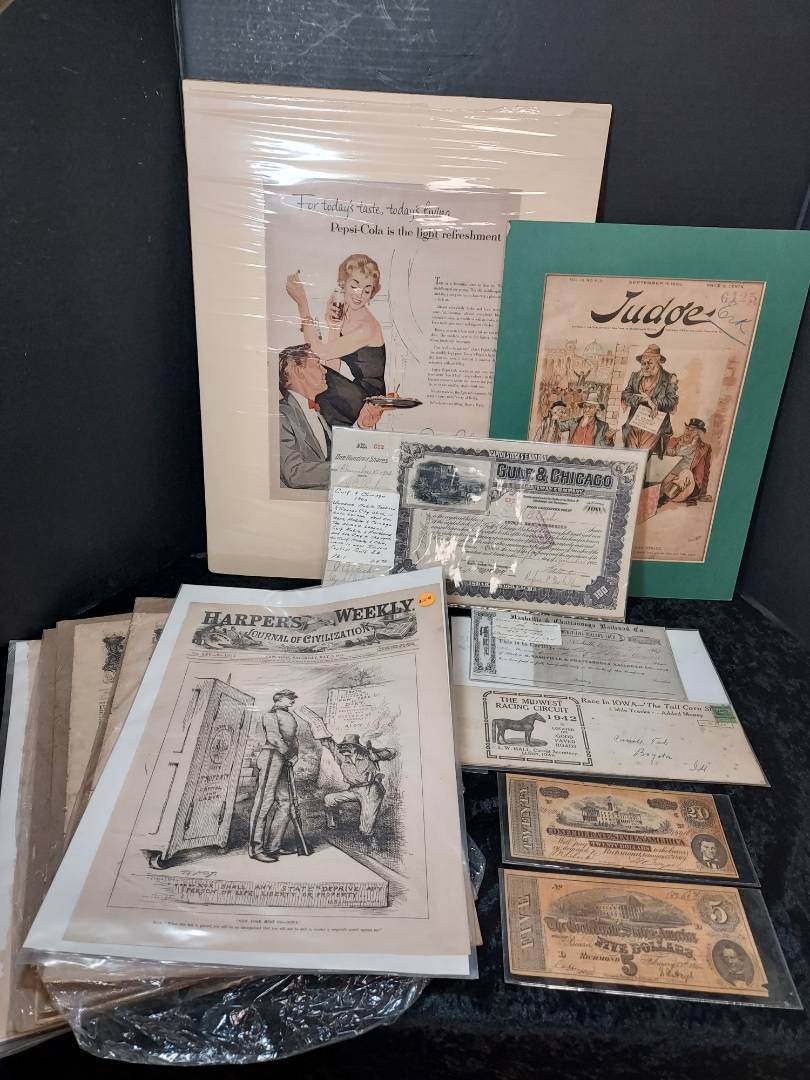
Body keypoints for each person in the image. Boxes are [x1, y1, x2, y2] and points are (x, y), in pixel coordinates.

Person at [285, 254, 387, 427]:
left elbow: (319, 352)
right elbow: (332, 366)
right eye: (354, 286)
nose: (359, 295)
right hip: (355, 390)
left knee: (303, 371)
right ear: (343, 283)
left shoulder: (367, 328)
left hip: (370, 399)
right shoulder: (341, 305)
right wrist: (334, 325)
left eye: (366, 290)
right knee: (303, 372)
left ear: (372, 293)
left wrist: (302, 304)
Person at [279, 344, 382, 489]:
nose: (324, 370)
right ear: (299, 371)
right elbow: (294, 473)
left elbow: (335, 452)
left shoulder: (316, 411)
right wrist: (347, 468)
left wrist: (361, 425)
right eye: (317, 364)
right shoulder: (281, 414)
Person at [249, 689, 301, 862]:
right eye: (289, 698)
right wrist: (288, 754)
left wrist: (294, 755)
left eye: (293, 698)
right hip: (272, 756)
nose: (292, 700)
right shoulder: (270, 715)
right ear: (278, 699)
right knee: (264, 802)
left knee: (285, 802)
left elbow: (293, 739)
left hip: (284, 759)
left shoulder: (289, 716)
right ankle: (256, 849)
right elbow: (274, 738)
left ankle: (273, 847)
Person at [323, 734, 396, 838]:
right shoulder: (341, 756)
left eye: (349, 745)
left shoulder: (367, 754)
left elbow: (392, 752)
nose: (345, 748)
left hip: (371, 791)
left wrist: (375, 753)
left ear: (356, 747)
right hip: (354, 790)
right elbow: (329, 743)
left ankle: (367, 834)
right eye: (344, 745)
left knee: (365, 830)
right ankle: (333, 822)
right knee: (329, 799)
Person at [621, 344, 679, 456]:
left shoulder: (669, 378)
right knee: (630, 457)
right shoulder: (635, 376)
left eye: (650, 363)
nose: (645, 366)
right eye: (643, 363)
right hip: (634, 424)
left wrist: (653, 401)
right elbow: (626, 394)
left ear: (658, 362)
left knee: (642, 457)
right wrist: (641, 399)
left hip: (655, 425)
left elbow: (671, 402)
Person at [659, 418, 712, 507]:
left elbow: (706, 471)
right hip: (669, 481)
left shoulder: (705, 448)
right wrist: (688, 445)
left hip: (687, 486)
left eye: (693, 430)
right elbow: (670, 454)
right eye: (687, 429)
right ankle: (663, 495)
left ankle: (664, 498)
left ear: (698, 434)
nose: (688, 432)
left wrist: (702, 494)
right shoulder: (674, 441)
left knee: (686, 472)